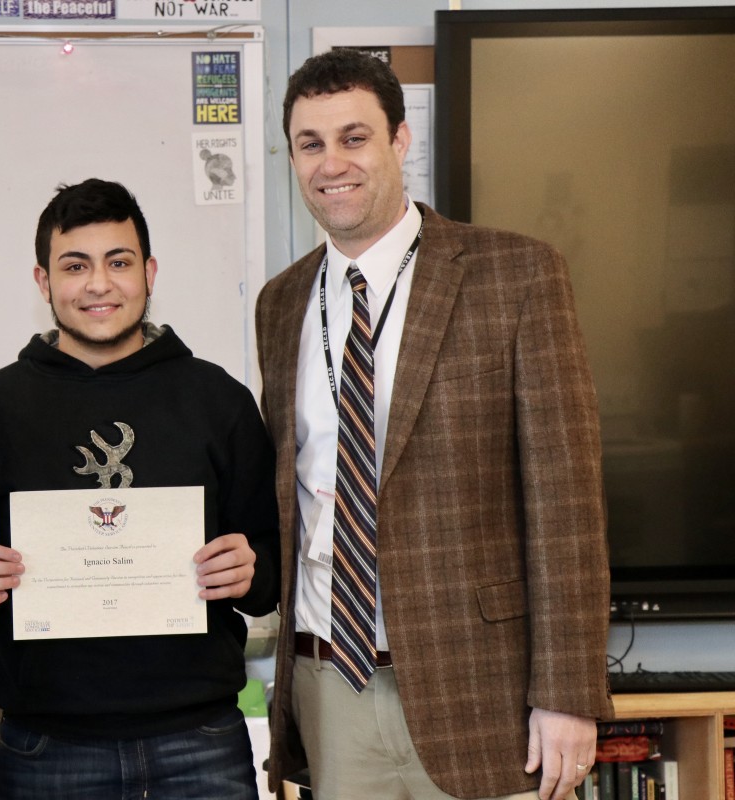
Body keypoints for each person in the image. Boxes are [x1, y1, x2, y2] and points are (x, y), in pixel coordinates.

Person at [257, 49, 612, 800]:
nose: (332, 164)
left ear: (400, 141)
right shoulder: (281, 303)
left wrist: (570, 692)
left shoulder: (514, 275)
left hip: (483, 693)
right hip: (331, 683)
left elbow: (568, 505)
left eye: (354, 137)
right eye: (309, 144)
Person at [0, 178, 279, 799]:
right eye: (75, 265)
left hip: (200, 740)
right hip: (49, 749)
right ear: (43, 281)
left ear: (149, 272)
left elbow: (270, 573)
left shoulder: (218, 400)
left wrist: (250, 568)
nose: (99, 284)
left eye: (118, 262)